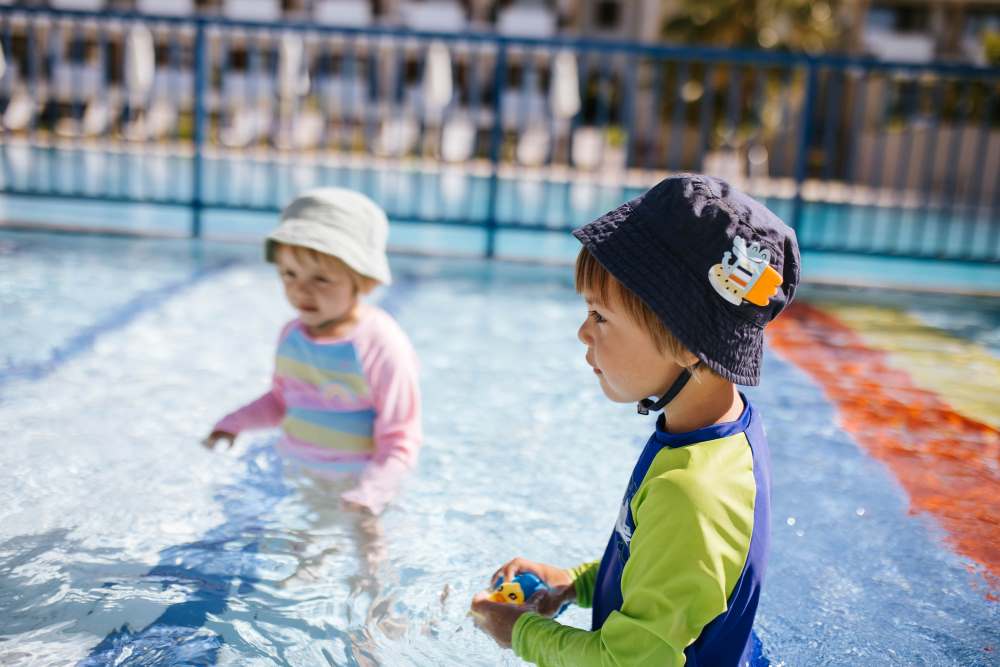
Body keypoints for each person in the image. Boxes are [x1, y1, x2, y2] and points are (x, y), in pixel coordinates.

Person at [471, 174, 800, 665]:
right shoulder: (714, 434)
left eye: (600, 316)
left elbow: (627, 662)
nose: (584, 332)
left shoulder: (693, 493)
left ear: (689, 343)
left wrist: (521, 634)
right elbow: (661, 563)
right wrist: (575, 583)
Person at [204, 187, 422, 516]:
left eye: (321, 279)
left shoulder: (381, 343)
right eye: (288, 274)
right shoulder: (292, 336)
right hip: (300, 477)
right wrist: (233, 423)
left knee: (369, 560)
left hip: (361, 487)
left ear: (362, 281)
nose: (299, 289)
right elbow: (282, 401)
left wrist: (371, 492)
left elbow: (400, 436)